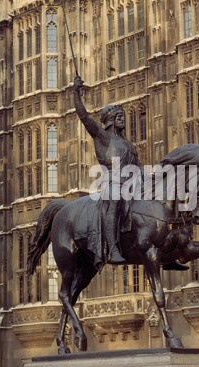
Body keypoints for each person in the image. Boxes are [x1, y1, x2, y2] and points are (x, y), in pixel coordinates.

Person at [73, 76, 188, 270]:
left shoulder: (127, 144)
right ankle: (113, 249)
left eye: (122, 116)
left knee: (159, 202)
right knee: (117, 199)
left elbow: (139, 167)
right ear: (109, 120)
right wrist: (76, 93)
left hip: (134, 184)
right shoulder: (102, 137)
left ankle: (167, 252)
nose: (122, 119)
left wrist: (153, 181)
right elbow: (84, 117)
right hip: (113, 185)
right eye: (118, 116)